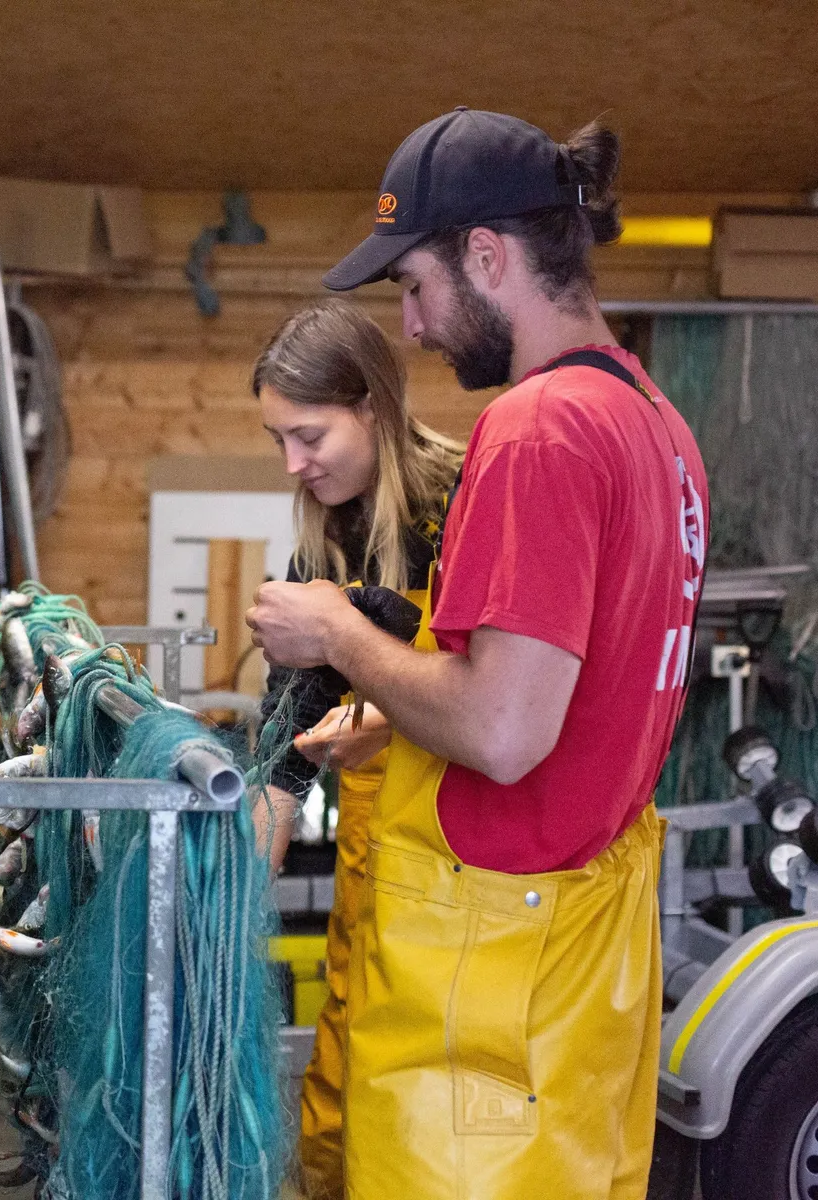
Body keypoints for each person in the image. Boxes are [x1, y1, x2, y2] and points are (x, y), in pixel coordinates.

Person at [247, 108, 708, 1200]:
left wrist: (340, 633)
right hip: (580, 975)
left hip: (493, 987)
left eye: (414, 287)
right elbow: (568, 705)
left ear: (488, 256)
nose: (410, 328)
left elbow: (503, 730)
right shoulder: (653, 422)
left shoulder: (537, 431)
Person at [251, 298, 463, 1200]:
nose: (295, 465)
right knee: (346, 1055)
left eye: (309, 436)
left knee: (430, 1086)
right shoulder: (327, 534)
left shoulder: (465, 501)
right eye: (279, 444)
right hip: (381, 843)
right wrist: (239, 896)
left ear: (371, 407)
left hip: (476, 854)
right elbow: (290, 731)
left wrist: (393, 709)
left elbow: (504, 694)